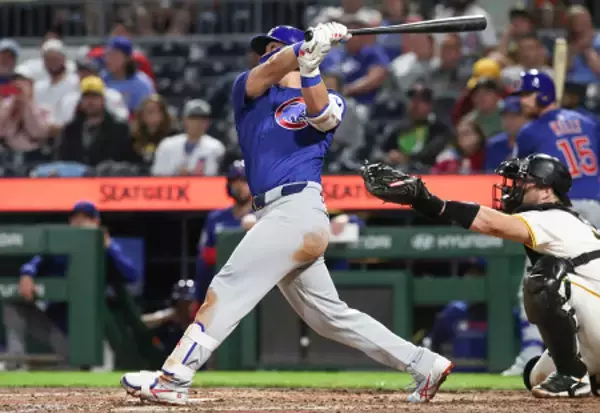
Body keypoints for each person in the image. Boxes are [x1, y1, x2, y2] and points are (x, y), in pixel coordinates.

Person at [121, 23, 452, 405]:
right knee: (328, 317)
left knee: (229, 286)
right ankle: (423, 363)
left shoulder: (328, 96)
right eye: (266, 48)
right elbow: (270, 68)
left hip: (298, 210)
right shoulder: (251, 92)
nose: (267, 53)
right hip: (276, 215)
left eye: (275, 46)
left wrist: (309, 66)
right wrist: (300, 51)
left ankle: (174, 377)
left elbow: (323, 117)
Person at [360, 154, 600, 398]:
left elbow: (491, 223)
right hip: (591, 325)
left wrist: (429, 202)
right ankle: (592, 375)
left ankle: (573, 376)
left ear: (547, 191)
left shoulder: (553, 216)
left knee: (545, 278)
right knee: (534, 376)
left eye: (523, 182)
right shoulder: (558, 217)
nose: (514, 187)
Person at [2, 201, 139, 370]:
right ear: (71, 222)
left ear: (96, 222)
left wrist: (109, 247)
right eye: (77, 218)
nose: (81, 222)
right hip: (58, 329)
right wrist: (27, 273)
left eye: (87, 218)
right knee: (13, 305)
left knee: (92, 371)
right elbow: (35, 261)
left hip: (93, 333)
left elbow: (132, 275)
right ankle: (16, 364)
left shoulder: (106, 247)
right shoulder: (60, 245)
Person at [195, 160, 254, 305]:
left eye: (244, 181)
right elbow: (204, 256)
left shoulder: (264, 214)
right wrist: (199, 297)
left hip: (252, 285)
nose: (240, 186)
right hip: (221, 285)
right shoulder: (216, 217)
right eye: (235, 181)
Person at [58, 76, 138, 167]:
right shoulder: (70, 129)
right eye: (86, 97)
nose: (90, 102)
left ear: (103, 100)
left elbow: (129, 161)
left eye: (95, 97)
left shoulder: (119, 128)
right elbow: (61, 159)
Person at [151, 99, 224, 176]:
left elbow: (214, 176)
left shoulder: (216, 147)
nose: (197, 123)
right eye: (193, 118)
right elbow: (157, 173)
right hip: (171, 183)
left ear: (208, 122)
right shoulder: (167, 144)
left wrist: (190, 174)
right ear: (184, 119)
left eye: (202, 119)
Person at [101, 36, 155, 113]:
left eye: (114, 55)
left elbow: (146, 114)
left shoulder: (141, 84)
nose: (108, 59)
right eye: (107, 55)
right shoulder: (102, 78)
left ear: (127, 58)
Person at [484, 96, 527, 172]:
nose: (509, 121)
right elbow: (489, 175)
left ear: (526, 118)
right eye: (505, 116)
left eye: (514, 116)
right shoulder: (494, 144)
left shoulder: (535, 143)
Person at [131, 94, 176, 166]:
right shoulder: (133, 137)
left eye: (153, 111)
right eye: (146, 111)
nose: (149, 115)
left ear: (163, 114)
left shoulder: (173, 137)